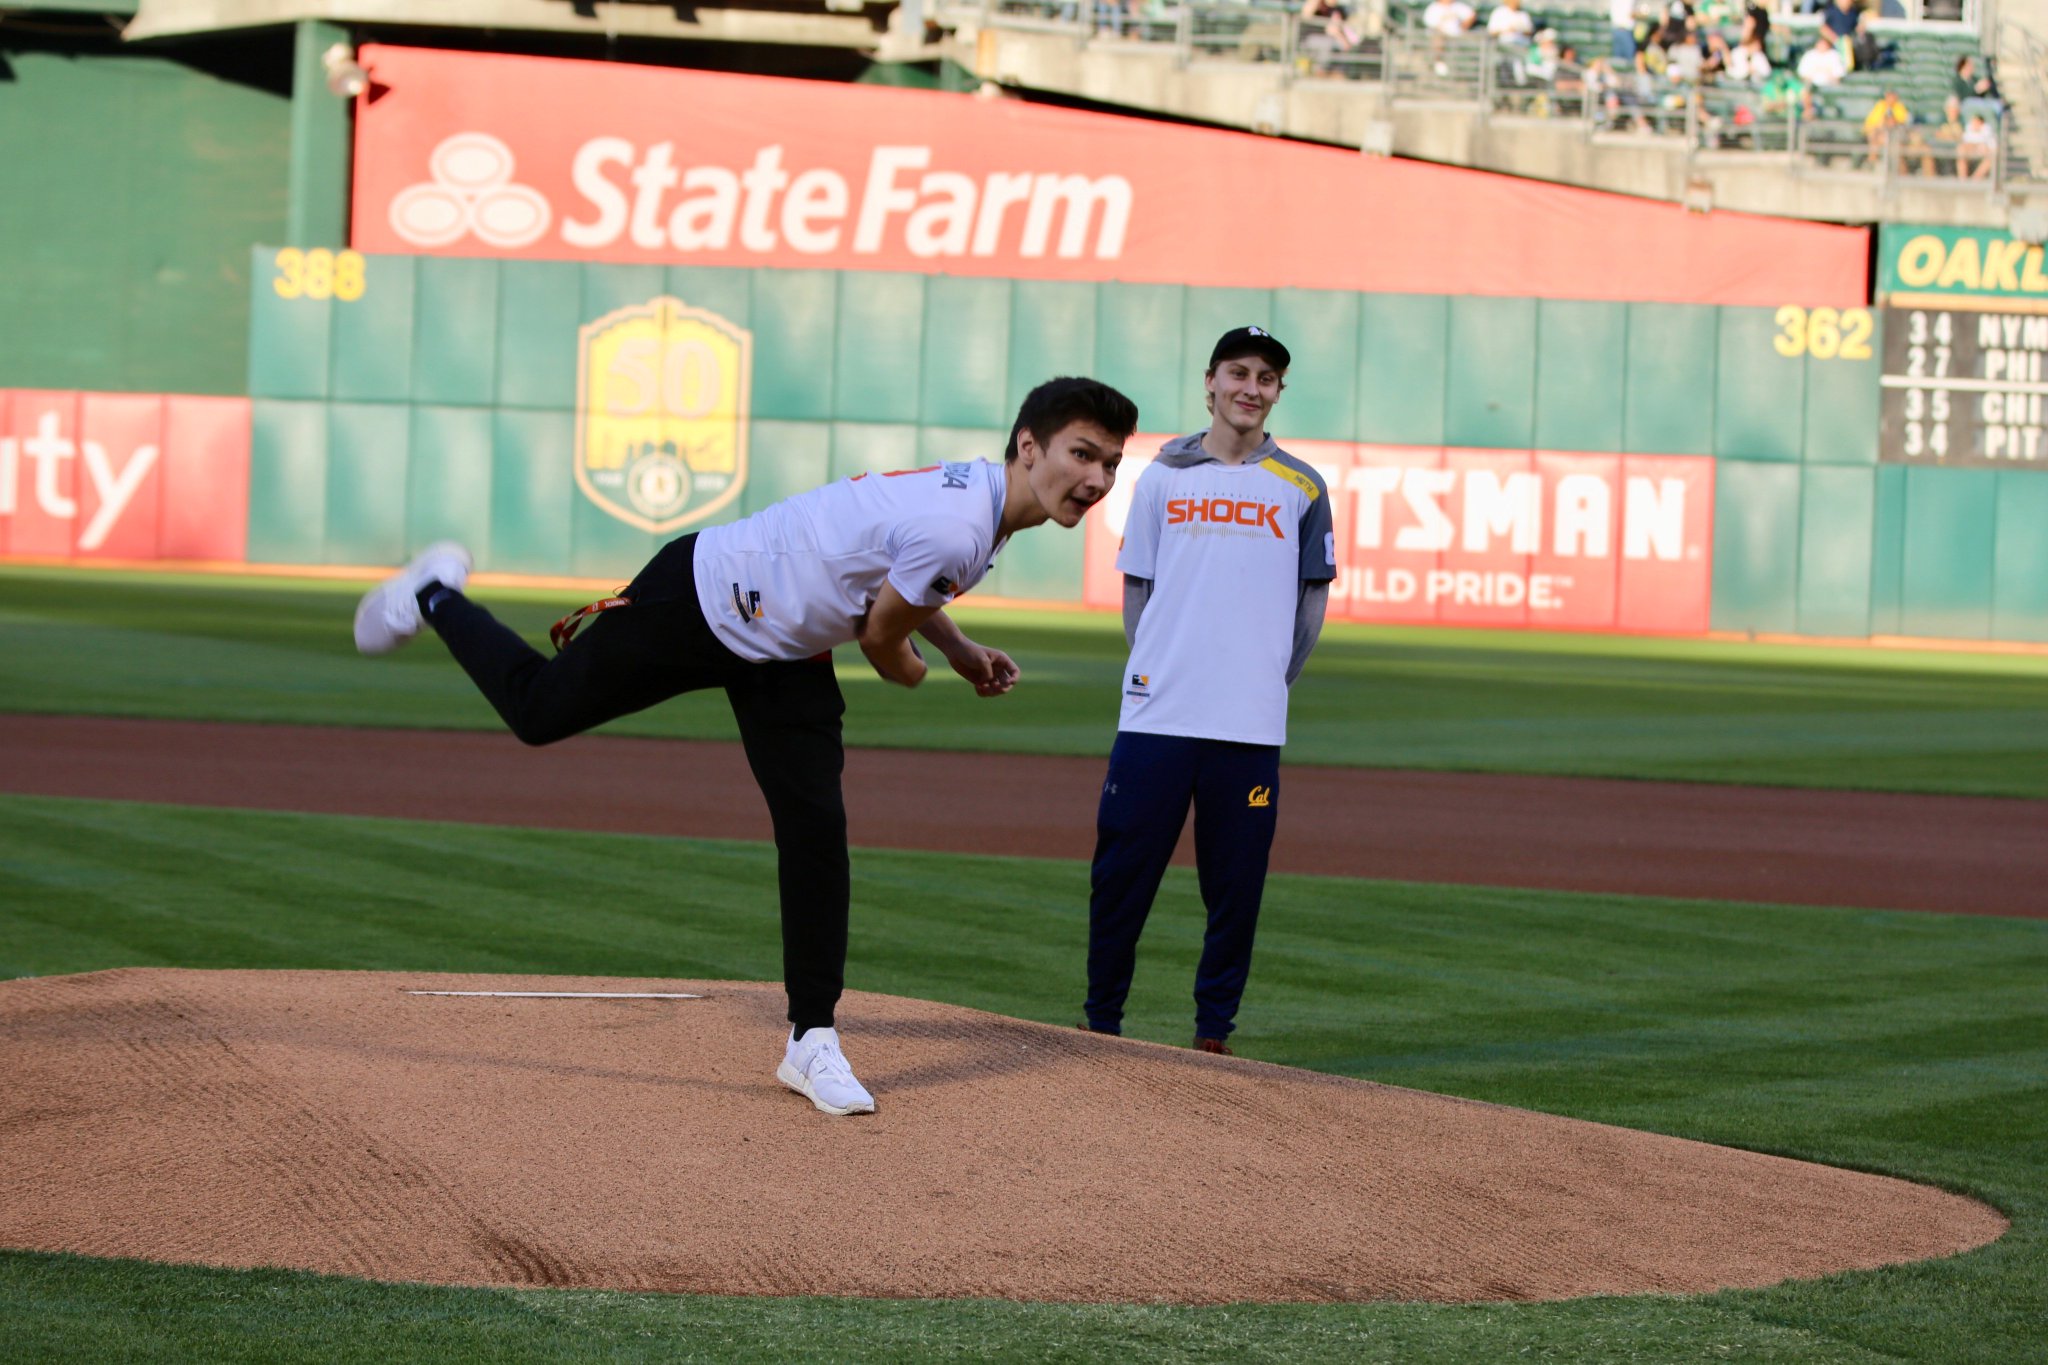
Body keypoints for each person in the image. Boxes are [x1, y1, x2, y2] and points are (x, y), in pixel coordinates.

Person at [353, 376, 1139, 1116]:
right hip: (702, 594)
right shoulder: (963, 523)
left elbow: (904, 572)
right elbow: (882, 641)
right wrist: (919, 672)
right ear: (1029, 447)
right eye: (1082, 452)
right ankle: (434, 592)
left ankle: (813, 1038)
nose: (1097, 478)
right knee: (537, 710)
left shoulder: (976, 499)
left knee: (815, 829)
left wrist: (962, 649)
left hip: (786, 646)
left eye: (1109, 460)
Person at [1083, 327, 1336, 1057]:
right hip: (1158, 713)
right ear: (1211, 381)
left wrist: (1264, 677)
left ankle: (1212, 1032)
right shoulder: (1162, 474)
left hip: (1249, 723)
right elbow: (1138, 589)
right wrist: (1161, 664)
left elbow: (1310, 606)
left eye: (1265, 377)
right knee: (1122, 875)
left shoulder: (1302, 485)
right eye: (1238, 373)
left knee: (1235, 889)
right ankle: (1101, 1019)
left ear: (1277, 392)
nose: (1250, 387)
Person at [1863, 87, 1910, 166]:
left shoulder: (1899, 107)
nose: (1890, 98)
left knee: (1896, 151)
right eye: (1889, 96)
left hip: (1895, 137)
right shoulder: (1880, 105)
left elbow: (1897, 122)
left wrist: (1888, 120)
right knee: (1874, 138)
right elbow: (1872, 123)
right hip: (1880, 135)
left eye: (1892, 96)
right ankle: (1871, 164)